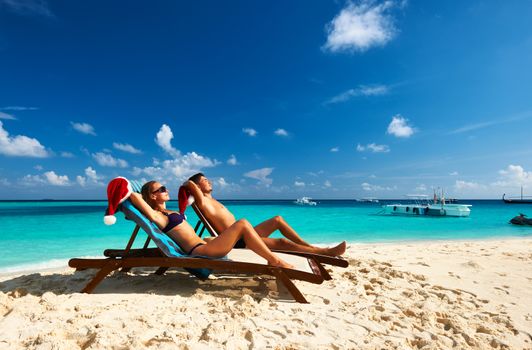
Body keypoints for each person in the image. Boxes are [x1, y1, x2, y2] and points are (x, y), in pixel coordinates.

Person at [128, 181, 294, 269]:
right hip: (200, 251)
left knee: (246, 228)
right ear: (152, 195)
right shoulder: (157, 216)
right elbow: (136, 197)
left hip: (206, 244)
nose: (166, 190)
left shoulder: (169, 212)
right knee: (242, 224)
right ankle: (274, 260)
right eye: (162, 189)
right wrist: (129, 191)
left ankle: (273, 258)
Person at [183, 173, 346, 257]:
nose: (209, 181)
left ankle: (309, 246)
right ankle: (325, 252)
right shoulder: (202, 202)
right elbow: (189, 184)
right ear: (197, 186)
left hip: (245, 234)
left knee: (277, 220)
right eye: (205, 180)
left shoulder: (214, 200)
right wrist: (189, 185)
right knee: (281, 242)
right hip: (237, 241)